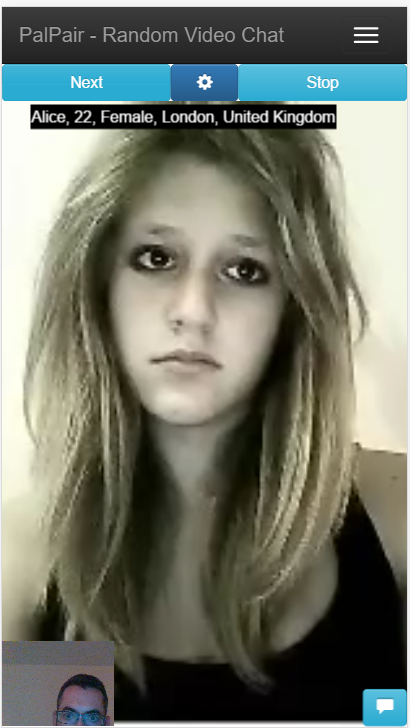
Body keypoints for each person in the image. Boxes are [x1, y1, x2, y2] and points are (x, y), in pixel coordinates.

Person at [5, 101, 406, 720]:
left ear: (294, 310)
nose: (193, 310)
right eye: (156, 258)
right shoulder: (28, 563)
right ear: (98, 285)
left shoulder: (392, 519)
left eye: (244, 269)